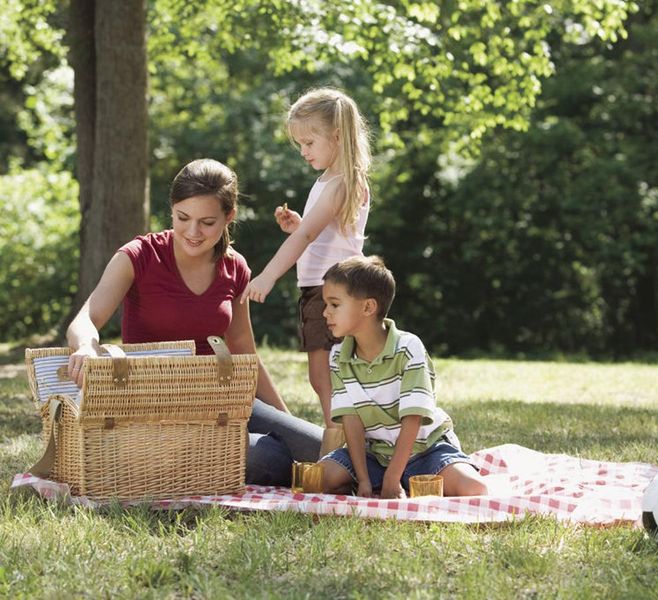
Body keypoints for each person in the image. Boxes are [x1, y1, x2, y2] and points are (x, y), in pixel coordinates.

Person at [66, 158, 322, 486]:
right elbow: (85, 318)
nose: (192, 232)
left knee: (319, 447)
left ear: (229, 217)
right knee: (264, 458)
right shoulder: (138, 256)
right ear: (172, 209)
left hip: (221, 399)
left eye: (207, 222)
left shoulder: (235, 267)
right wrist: (87, 346)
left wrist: (285, 423)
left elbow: (245, 352)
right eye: (182, 218)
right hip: (157, 406)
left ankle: (398, 475)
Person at [242, 88, 371, 454]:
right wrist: (299, 224)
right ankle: (341, 447)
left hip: (333, 293)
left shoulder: (342, 181)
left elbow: (309, 235)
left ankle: (340, 451)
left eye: (309, 141)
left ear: (336, 136)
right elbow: (324, 233)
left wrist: (267, 275)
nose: (304, 151)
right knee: (326, 376)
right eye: (299, 143)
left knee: (328, 377)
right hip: (326, 290)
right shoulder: (330, 180)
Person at [317, 256, 488, 499]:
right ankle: (394, 484)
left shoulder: (408, 348)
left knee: (475, 490)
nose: (325, 313)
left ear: (368, 307)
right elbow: (351, 421)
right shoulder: (338, 356)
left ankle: (404, 481)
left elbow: (413, 417)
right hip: (374, 455)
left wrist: (392, 477)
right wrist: (364, 479)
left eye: (334, 304)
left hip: (426, 451)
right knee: (318, 478)